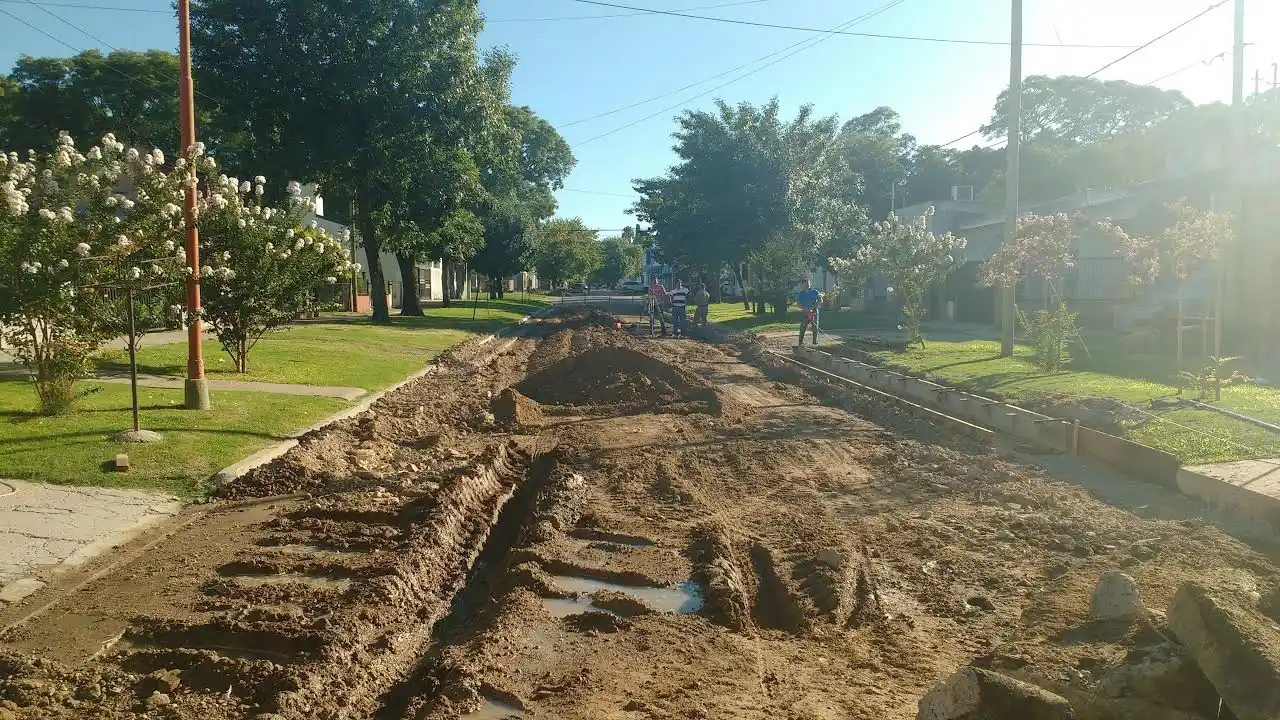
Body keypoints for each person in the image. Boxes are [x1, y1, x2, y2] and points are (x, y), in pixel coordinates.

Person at [795, 278, 822, 346]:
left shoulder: (815, 291)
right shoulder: (801, 294)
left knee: (815, 327)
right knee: (803, 327)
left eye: (808, 283)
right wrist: (803, 308)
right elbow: (798, 303)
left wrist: (813, 307)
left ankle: (814, 341)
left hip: (814, 312)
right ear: (802, 285)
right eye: (806, 284)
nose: (808, 285)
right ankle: (800, 342)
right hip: (805, 313)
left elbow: (820, 301)